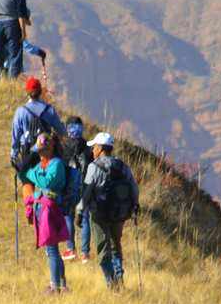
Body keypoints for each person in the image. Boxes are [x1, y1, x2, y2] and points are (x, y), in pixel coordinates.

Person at [81, 132, 139, 289]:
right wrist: (135, 206)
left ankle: (112, 285)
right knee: (115, 246)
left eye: (94, 147)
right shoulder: (122, 166)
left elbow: (87, 191)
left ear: (100, 148)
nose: (92, 150)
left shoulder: (94, 167)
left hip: (99, 214)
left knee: (102, 251)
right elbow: (133, 187)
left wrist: (80, 211)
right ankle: (119, 279)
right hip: (119, 213)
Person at [24, 133, 71, 293]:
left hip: (50, 210)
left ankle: (54, 286)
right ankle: (62, 285)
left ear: (49, 149)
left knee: (51, 250)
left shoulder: (56, 164)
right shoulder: (44, 164)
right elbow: (32, 175)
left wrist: (31, 173)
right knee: (53, 249)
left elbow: (45, 182)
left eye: (41, 150)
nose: (38, 153)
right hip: (44, 209)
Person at [10, 77, 64, 183]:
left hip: (28, 152)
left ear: (27, 92)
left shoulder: (21, 111)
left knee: (28, 182)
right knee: (45, 182)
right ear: (40, 91)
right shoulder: (49, 110)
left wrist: (14, 155)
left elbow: (15, 136)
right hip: (46, 151)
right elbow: (61, 131)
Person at [62, 117, 92, 263]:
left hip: (68, 186)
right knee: (85, 218)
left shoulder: (64, 147)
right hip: (85, 186)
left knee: (68, 216)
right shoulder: (88, 148)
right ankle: (85, 253)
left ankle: (70, 249)